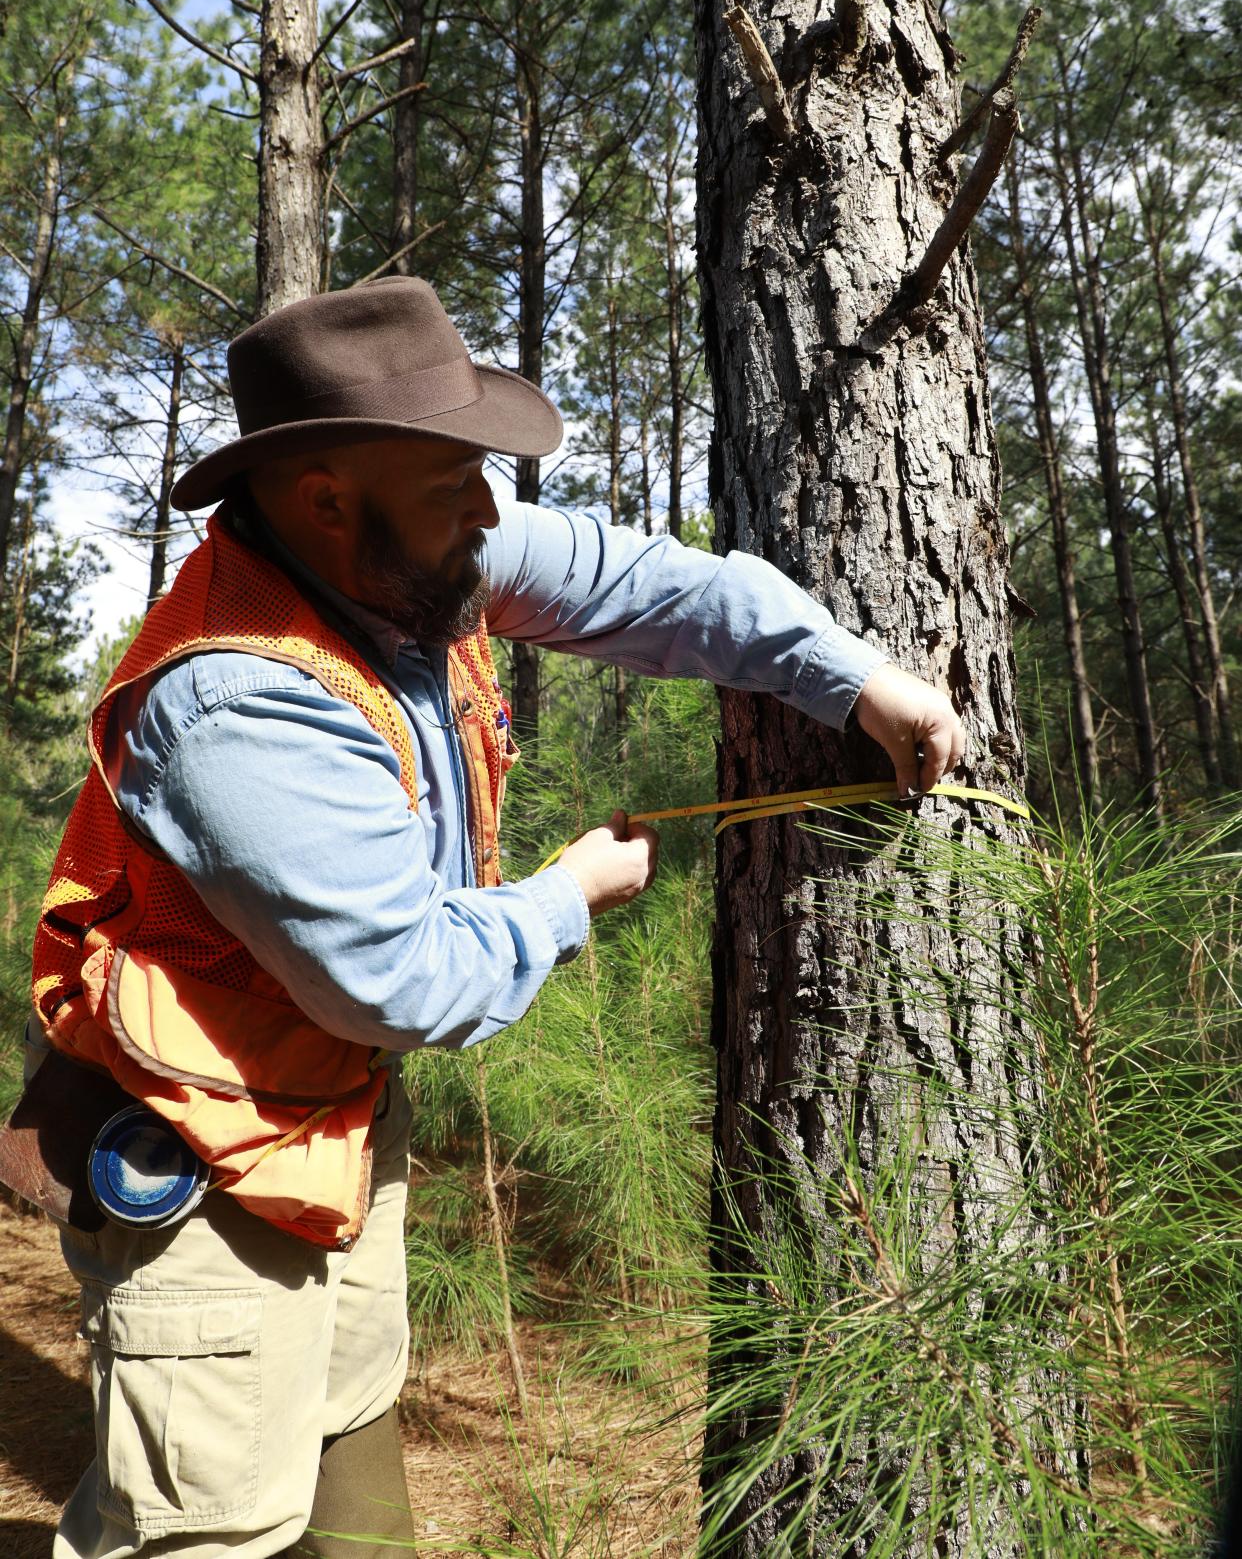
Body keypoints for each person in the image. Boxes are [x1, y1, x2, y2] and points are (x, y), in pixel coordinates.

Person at [29, 277, 965, 1558]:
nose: (492, 511)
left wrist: (856, 678)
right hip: (200, 1156)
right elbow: (402, 980)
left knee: (349, 1493)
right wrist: (564, 898)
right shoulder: (239, 700)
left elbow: (650, 586)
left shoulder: (413, 551)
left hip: (332, 1120)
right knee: (203, 1529)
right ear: (325, 501)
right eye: (454, 485)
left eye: (487, 476)